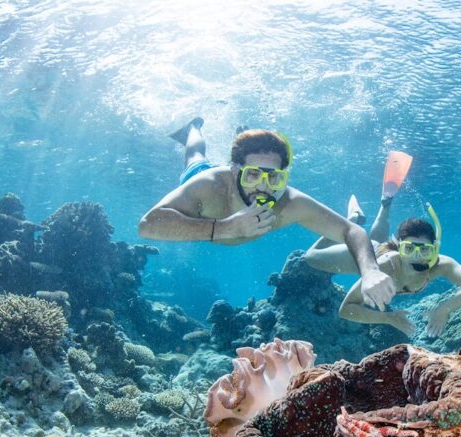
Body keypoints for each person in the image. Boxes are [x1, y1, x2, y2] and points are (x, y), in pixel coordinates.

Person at [138, 118, 395, 310]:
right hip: (202, 175)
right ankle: (192, 128)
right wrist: (227, 227)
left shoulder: (289, 202)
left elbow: (351, 230)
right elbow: (148, 225)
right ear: (235, 170)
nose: (263, 187)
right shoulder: (208, 187)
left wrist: (370, 271)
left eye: (274, 177)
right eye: (252, 175)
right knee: (195, 155)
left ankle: (243, 140)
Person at [327, 203, 461, 338]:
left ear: (434, 251)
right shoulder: (385, 267)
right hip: (361, 256)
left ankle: (385, 204)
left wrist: (444, 309)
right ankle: (351, 221)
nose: (416, 257)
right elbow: (346, 309)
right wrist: (388, 318)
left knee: (376, 238)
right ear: (399, 249)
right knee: (314, 256)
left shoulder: (441, 265)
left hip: (380, 247)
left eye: (424, 250)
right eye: (409, 249)